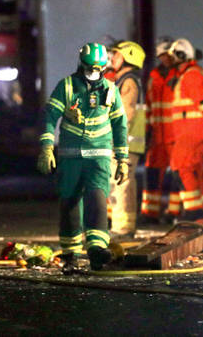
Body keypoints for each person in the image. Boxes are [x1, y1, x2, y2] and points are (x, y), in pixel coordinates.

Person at [36, 42, 129, 273]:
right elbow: (49, 115)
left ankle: (97, 250)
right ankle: (70, 254)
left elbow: (120, 125)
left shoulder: (110, 89)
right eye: (89, 68)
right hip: (71, 157)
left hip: (99, 157)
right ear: (81, 64)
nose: (93, 74)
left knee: (97, 199)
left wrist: (123, 159)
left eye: (98, 69)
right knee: (69, 202)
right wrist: (47, 146)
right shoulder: (67, 86)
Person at [168, 38, 203, 220]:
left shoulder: (191, 75)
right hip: (195, 130)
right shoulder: (192, 74)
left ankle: (194, 211)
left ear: (182, 56)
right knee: (194, 170)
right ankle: (200, 210)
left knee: (180, 167)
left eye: (174, 58)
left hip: (192, 131)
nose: (171, 62)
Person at [105, 41, 146, 238]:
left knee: (122, 183)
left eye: (117, 55)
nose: (112, 58)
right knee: (119, 183)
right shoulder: (122, 80)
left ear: (128, 58)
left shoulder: (128, 82)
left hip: (125, 143)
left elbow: (125, 114)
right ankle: (120, 226)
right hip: (124, 142)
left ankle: (123, 229)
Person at [140, 38, 176, 223]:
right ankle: (150, 213)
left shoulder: (180, 75)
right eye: (162, 55)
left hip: (175, 134)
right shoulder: (154, 77)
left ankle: (174, 213)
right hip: (156, 136)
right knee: (152, 173)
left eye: (168, 55)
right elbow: (148, 105)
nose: (165, 59)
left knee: (177, 175)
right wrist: (145, 132)